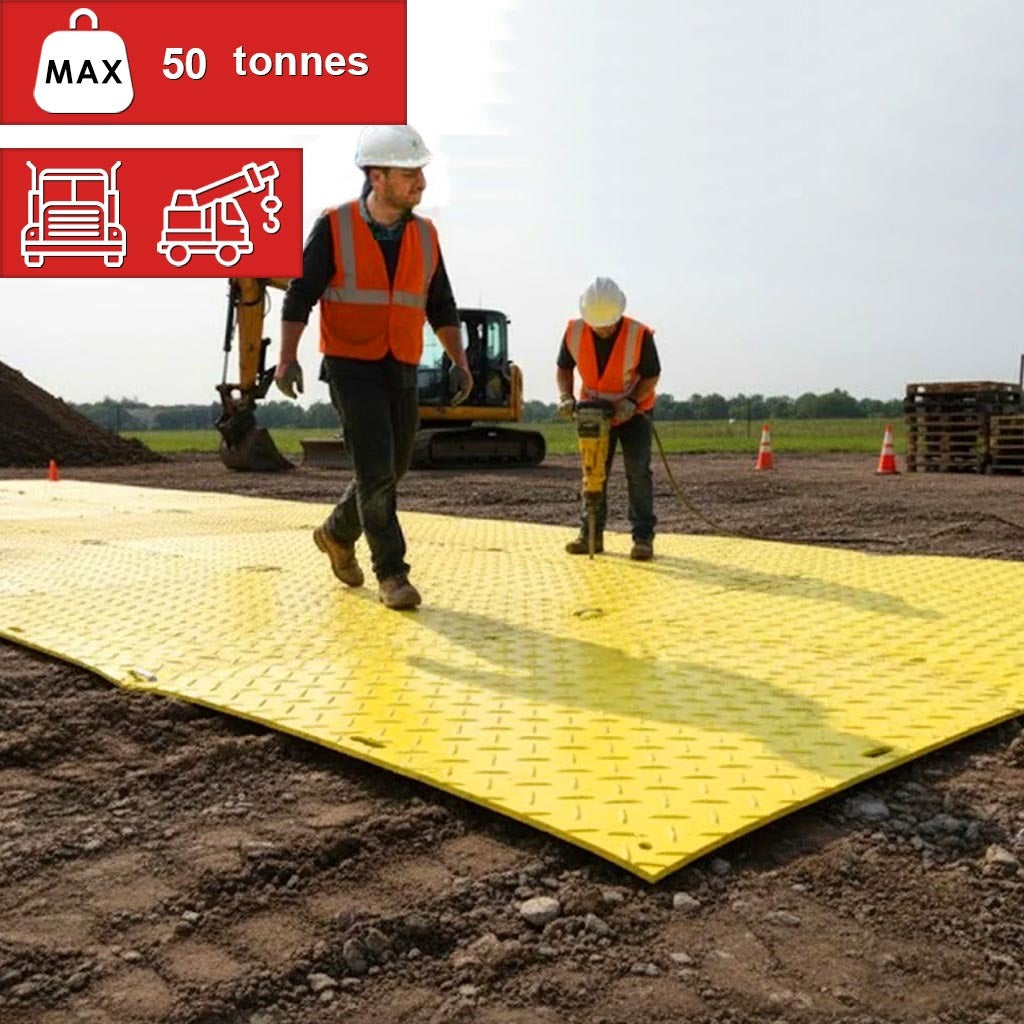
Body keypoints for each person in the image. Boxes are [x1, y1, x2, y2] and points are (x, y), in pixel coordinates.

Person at [274, 125, 473, 610]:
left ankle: (337, 532)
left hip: (400, 362)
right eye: (410, 174)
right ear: (376, 176)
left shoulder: (425, 234)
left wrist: (460, 362)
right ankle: (393, 574)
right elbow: (301, 295)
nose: (421, 184)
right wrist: (287, 356)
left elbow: (441, 303)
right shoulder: (334, 226)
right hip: (350, 364)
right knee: (377, 472)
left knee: (394, 466)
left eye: (421, 173)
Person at [556, 276, 661, 560]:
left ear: (620, 314)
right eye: (597, 326)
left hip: (634, 411)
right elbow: (564, 368)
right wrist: (566, 397)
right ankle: (590, 534)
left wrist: (631, 401)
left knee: (637, 471)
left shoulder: (639, 335)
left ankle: (642, 539)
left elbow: (651, 375)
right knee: (593, 472)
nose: (603, 330)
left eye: (609, 325)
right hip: (594, 411)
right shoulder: (574, 332)